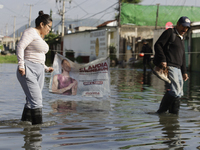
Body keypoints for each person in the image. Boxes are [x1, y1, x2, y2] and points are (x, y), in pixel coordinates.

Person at [16, 11, 54, 125]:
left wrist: (46, 68)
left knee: (31, 101)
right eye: (49, 27)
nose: (50, 30)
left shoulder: (40, 37)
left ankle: (26, 127)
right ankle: (37, 131)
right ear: (42, 24)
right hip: (28, 69)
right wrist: (21, 65)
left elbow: (39, 56)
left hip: (39, 70)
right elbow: (20, 47)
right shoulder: (30, 32)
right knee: (37, 101)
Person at [154, 16, 190, 114]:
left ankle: (173, 115)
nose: (185, 29)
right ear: (178, 24)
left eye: (187, 28)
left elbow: (182, 56)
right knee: (174, 91)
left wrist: (184, 72)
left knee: (179, 93)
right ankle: (161, 112)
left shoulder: (181, 38)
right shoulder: (170, 33)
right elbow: (158, 45)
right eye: (183, 26)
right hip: (170, 66)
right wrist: (163, 60)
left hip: (178, 68)